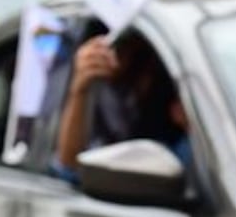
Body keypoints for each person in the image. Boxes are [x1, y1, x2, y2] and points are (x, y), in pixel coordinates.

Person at [52, 31, 190, 184]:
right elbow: (70, 168)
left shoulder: (172, 99)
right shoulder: (91, 88)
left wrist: (191, 126)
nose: (112, 57)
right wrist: (80, 90)